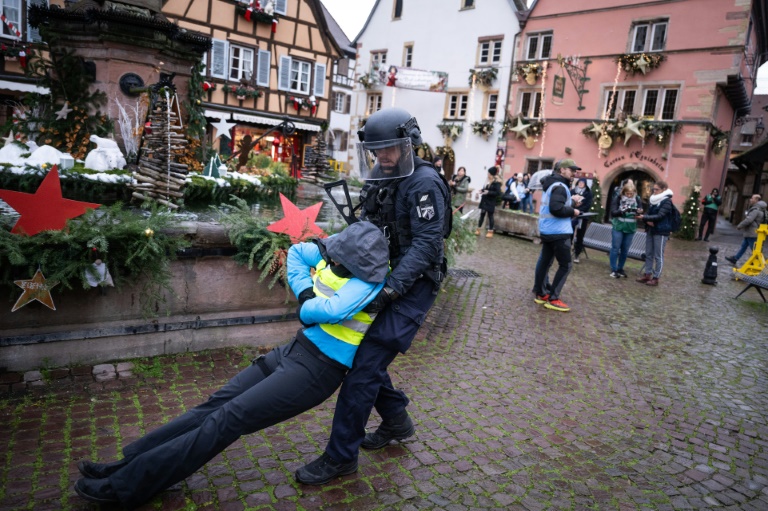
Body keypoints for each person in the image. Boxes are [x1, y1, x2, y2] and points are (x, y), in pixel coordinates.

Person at [73, 221, 390, 508]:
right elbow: (296, 253)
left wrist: (307, 306)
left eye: (336, 259)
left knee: (228, 419)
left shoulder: (368, 282)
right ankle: (128, 463)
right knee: (213, 405)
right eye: (332, 254)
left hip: (316, 371)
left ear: (357, 262)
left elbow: (329, 311)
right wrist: (307, 291)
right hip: (295, 349)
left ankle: (129, 485)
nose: (329, 261)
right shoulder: (336, 253)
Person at [295, 107, 451, 485]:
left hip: (413, 285)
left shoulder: (423, 184)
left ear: (409, 143)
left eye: (389, 149)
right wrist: (330, 247)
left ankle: (340, 457)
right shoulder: (382, 174)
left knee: (363, 368)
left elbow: (429, 243)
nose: (382, 156)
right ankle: (397, 422)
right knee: (366, 362)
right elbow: (365, 226)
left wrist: (395, 289)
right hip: (381, 278)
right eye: (376, 150)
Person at [533, 159, 583, 312]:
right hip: (559, 232)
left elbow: (555, 205)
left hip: (548, 230)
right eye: (572, 170)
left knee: (545, 262)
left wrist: (572, 203)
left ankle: (541, 293)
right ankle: (553, 298)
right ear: (562, 170)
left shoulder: (552, 184)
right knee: (566, 265)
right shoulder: (560, 186)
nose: (574, 173)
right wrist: (573, 211)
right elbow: (556, 208)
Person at [636, 180, 674, 286]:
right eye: (654, 189)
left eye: (657, 189)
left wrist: (644, 217)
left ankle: (656, 277)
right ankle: (647, 274)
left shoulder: (666, 201)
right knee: (648, 254)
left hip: (661, 231)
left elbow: (660, 216)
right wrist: (643, 215)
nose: (654, 191)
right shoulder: (653, 200)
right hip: (651, 229)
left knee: (658, 256)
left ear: (663, 190)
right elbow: (649, 213)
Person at [609, 181, 643, 278]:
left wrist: (639, 212)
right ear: (623, 192)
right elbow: (613, 212)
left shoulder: (637, 199)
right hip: (618, 226)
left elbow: (640, 210)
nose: (629, 195)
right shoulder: (618, 198)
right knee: (615, 248)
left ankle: (620, 268)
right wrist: (621, 211)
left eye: (631, 194)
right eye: (627, 193)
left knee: (625, 250)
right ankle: (614, 269)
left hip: (630, 228)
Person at [725, 194, 766, 266]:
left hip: (752, 232)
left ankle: (759, 263)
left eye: (752, 198)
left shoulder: (755, 210)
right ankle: (735, 258)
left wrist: (739, 226)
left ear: (756, 200)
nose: (750, 199)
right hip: (750, 232)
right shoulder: (759, 209)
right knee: (744, 246)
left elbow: (749, 220)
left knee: (755, 250)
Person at [571, 177, 594, 264]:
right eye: (579, 182)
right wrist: (573, 208)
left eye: (582, 183)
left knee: (580, 236)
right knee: (570, 233)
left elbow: (588, 204)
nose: (581, 184)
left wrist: (579, 210)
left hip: (583, 216)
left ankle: (577, 254)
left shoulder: (588, 193)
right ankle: (567, 251)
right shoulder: (573, 191)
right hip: (572, 215)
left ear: (585, 184)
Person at [476, 166, 502, 238]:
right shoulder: (487, 181)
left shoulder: (496, 183)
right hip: (484, 200)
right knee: (482, 215)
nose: (488, 174)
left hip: (490, 202)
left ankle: (490, 231)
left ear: (492, 174)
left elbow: (498, 193)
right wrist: (481, 191)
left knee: (490, 216)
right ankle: (478, 229)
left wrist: (489, 192)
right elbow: (485, 189)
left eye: (489, 173)